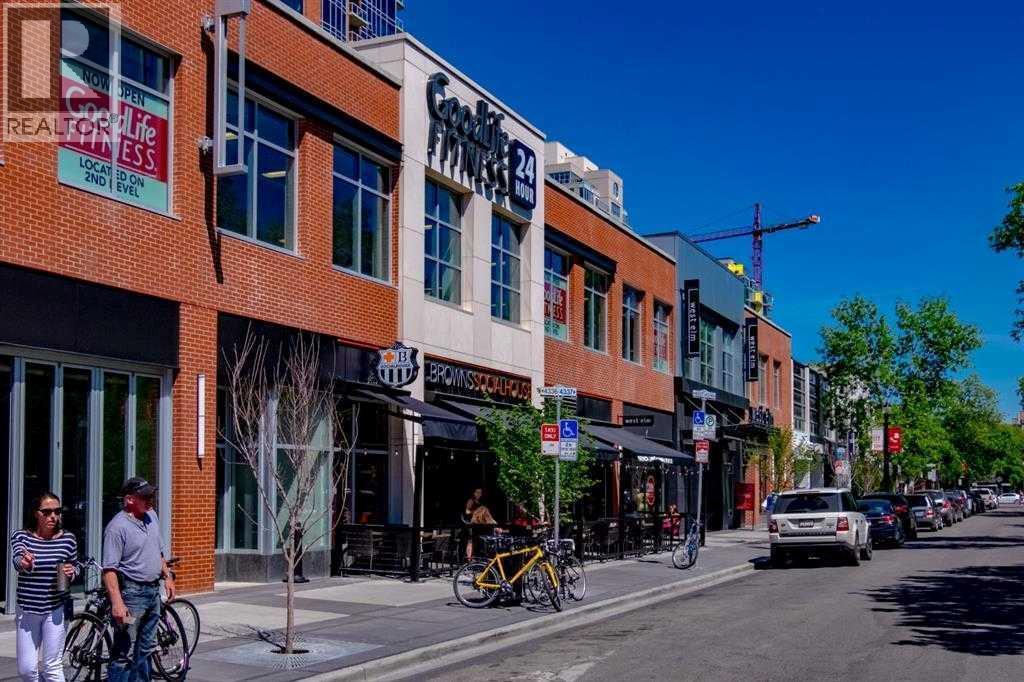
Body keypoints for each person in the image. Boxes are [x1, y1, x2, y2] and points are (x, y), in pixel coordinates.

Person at [103, 478, 176, 682]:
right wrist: (117, 603)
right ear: (129, 499)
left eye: (151, 495)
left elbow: (158, 552)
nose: (150, 500)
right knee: (125, 650)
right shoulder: (117, 528)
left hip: (152, 594)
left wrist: (167, 576)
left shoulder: (151, 516)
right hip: (131, 597)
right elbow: (109, 570)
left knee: (146, 648)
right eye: (145, 496)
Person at [11, 492, 79, 682]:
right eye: (47, 512)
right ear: (36, 513)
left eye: (57, 511)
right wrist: (24, 563)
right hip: (27, 609)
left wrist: (72, 571)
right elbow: (17, 559)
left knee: (52, 667)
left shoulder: (68, 539)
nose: (53, 516)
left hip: (56, 608)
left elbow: (76, 566)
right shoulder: (21, 536)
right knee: (26, 670)